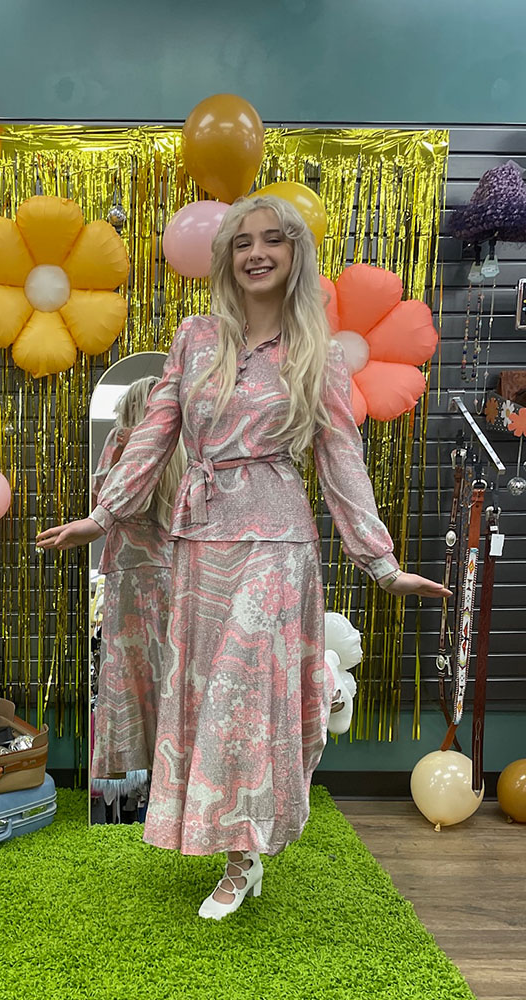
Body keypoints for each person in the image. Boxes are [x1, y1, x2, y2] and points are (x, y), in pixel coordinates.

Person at [37, 195, 450, 920]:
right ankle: (235, 847)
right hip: (196, 544)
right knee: (205, 699)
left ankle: (243, 856)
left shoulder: (313, 353)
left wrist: (379, 562)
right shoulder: (196, 338)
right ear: (227, 257)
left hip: (274, 543)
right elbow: (155, 434)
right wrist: (102, 516)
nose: (257, 253)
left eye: (273, 241)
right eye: (242, 243)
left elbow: (340, 459)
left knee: (242, 698)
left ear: (294, 254)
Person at [91, 376, 186, 780]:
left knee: (127, 670)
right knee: (170, 667)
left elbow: (103, 497)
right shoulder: (180, 455)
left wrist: (117, 442)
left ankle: (131, 762)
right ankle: (174, 764)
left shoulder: (125, 444)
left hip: (130, 571)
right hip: (173, 568)